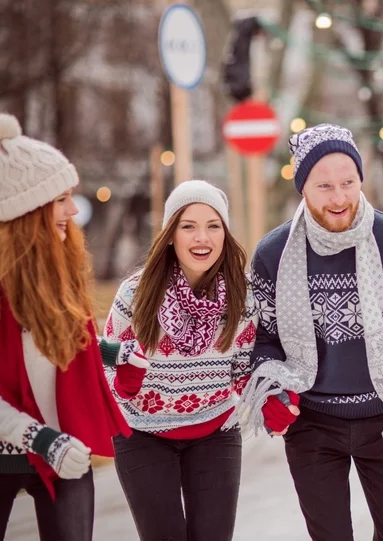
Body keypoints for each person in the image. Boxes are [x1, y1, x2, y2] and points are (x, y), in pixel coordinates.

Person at [232, 123, 383, 541]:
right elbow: (261, 340)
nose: (339, 198)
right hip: (311, 423)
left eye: (348, 182)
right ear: (303, 189)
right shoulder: (272, 255)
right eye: (324, 186)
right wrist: (272, 391)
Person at [102, 180, 258, 541]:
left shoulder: (242, 296)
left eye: (213, 226)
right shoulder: (136, 294)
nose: (201, 237)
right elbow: (105, 362)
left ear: (225, 234)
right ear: (170, 234)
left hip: (215, 432)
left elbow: (243, 371)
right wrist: (124, 381)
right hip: (142, 434)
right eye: (188, 226)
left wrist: (275, 396)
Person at [0, 113, 130, 541]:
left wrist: (113, 353)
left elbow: (65, 344)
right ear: (24, 209)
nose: (73, 209)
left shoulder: (58, 275)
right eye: (61, 199)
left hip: (66, 452)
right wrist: (39, 439)